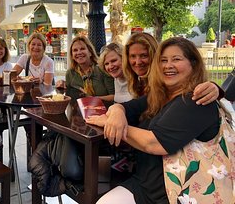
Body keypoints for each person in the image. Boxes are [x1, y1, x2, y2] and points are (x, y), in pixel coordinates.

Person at [89, 37, 220, 204]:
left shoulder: (196, 100)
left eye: (176, 59)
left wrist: (112, 124)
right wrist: (116, 113)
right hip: (145, 183)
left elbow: (155, 143)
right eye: (163, 60)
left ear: (193, 64)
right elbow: (128, 106)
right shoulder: (161, 95)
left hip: (177, 192)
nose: (168, 65)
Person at [123, 32, 219, 104]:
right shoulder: (139, 82)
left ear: (155, 57)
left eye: (144, 55)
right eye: (133, 56)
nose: (138, 62)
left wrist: (215, 88)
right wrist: (117, 109)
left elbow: (198, 88)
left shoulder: (165, 83)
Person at [56, 35, 114, 101]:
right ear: (72, 56)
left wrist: (93, 99)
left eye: (82, 49)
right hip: (78, 109)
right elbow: (68, 96)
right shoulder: (70, 73)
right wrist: (62, 84)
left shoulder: (102, 69)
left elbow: (114, 96)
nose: (79, 52)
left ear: (90, 52)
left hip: (105, 109)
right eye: (75, 50)